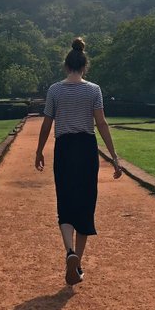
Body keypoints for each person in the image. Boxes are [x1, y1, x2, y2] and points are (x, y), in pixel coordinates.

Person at [35, 37, 121, 286]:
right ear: (85, 66)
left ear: (66, 65)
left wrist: (39, 151)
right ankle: (78, 263)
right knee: (85, 203)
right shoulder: (93, 90)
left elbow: (47, 123)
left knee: (65, 201)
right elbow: (101, 124)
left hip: (64, 147)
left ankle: (69, 252)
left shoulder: (55, 90)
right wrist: (114, 157)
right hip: (86, 148)